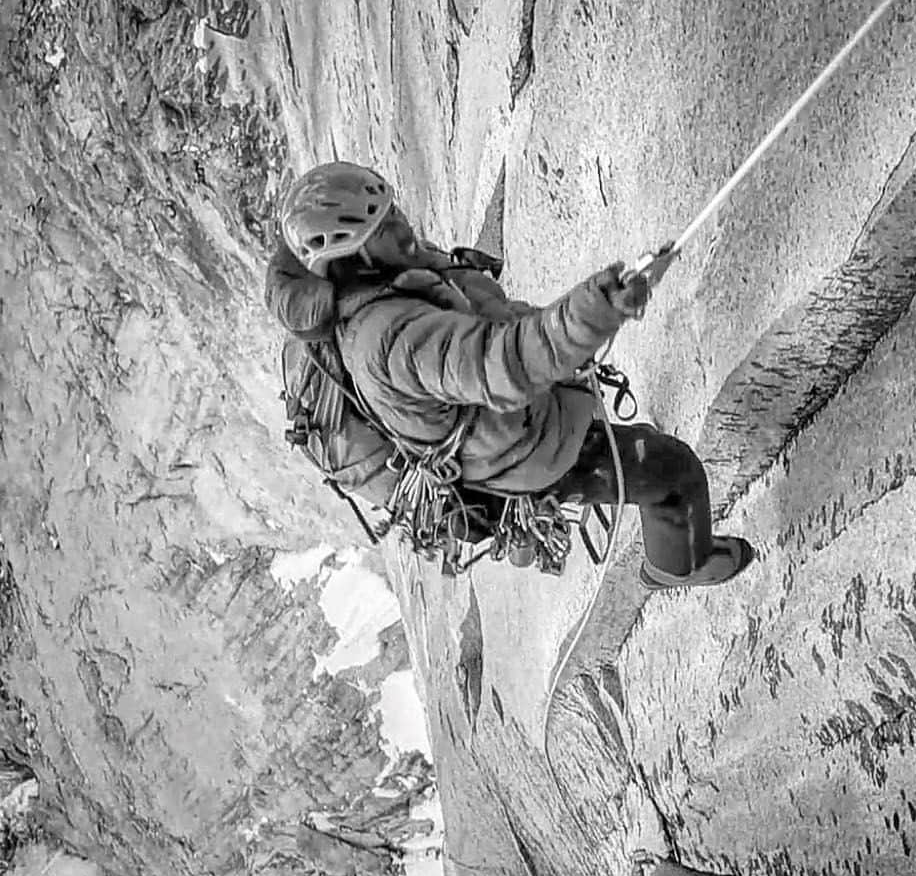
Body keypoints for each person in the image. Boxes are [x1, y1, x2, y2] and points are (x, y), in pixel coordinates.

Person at [265, 162, 754, 589]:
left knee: (645, 458)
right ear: (352, 257)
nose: (402, 224)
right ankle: (677, 568)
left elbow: (489, 328)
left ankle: (670, 557)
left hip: (509, 429)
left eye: (391, 210)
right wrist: (595, 312)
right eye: (384, 225)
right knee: (671, 471)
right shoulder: (390, 340)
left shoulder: (385, 278)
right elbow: (503, 364)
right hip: (522, 450)